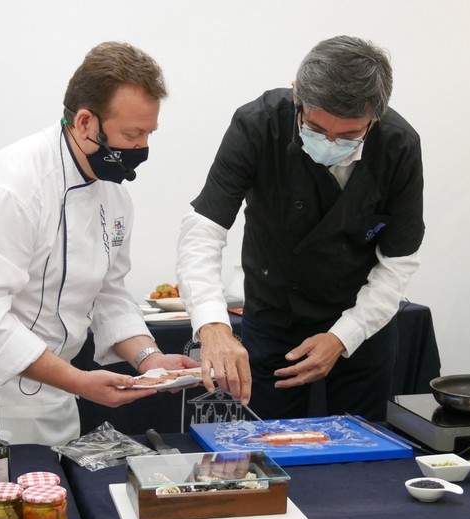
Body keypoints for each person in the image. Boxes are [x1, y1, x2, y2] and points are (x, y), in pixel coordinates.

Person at [0, 42, 198, 451]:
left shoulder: (114, 197)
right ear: (85, 122)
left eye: (148, 134)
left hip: (53, 388)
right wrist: (79, 381)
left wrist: (150, 360)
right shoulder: (7, 188)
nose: (140, 149)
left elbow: (108, 295)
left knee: (50, 503)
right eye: (132, 135)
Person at [176, 36, 424, 422]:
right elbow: (204, 228)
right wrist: (212, 326)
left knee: (360, 450)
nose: (329, 142)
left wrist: (344, 336)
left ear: (376, 116)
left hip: (361, 321)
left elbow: (398, 262)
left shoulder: (398, 147)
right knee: (269, 448)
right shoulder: (256, 126)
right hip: (276, 314)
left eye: (347, 135)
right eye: (316, 126)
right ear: (297, 94)